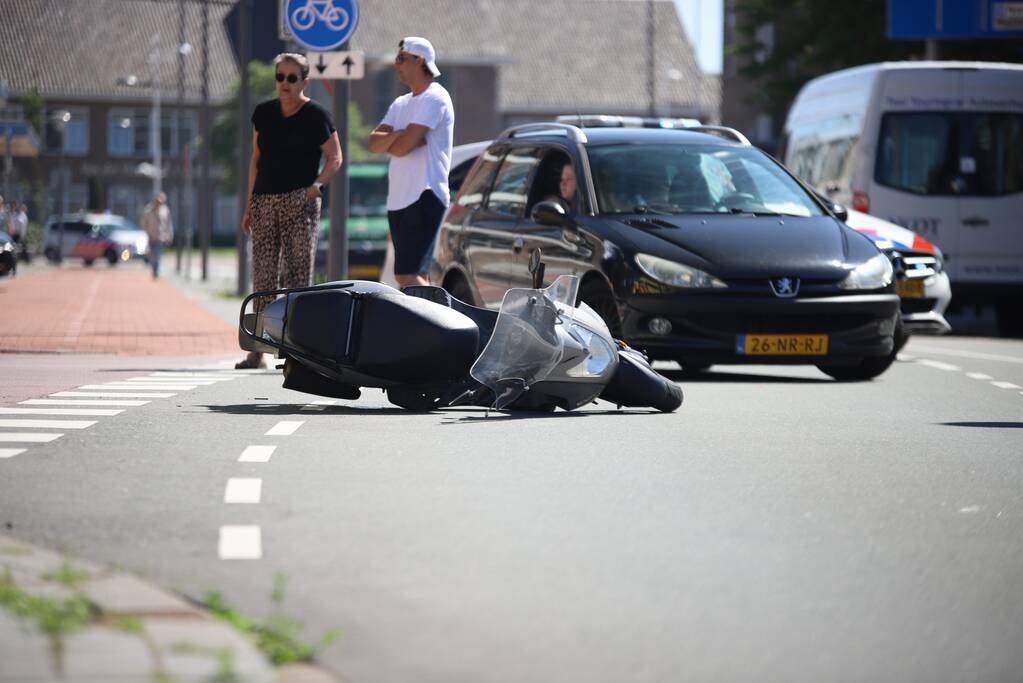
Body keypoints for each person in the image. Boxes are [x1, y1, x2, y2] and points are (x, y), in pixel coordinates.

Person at [238, 52, 343, 369]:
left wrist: (316, 187)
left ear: (305, 81)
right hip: (265, 200)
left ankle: (297, 353)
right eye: (280, 77)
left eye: (292, 78)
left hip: (301, 200)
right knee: (264, 276)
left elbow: (335, 158)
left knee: (298, 278)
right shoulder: (264, 114)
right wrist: (249, 204)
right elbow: (256, 160)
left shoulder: (317, 116)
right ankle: (257, 350)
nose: (284, 83)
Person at [368, 37, 454, 288]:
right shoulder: (400, 103)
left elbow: (405, 147)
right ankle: (426, 326)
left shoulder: (436, 97)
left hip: (424, 195)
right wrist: (401, 134)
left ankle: (432, 327)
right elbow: (374, 143)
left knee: (407, 276)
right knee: (415, 276)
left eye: (401, 59)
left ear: (419, 61)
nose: (396, 65)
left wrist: (397, 140)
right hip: (399, 199)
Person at [141, 192, 173, 279]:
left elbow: (168, 224)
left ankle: (156, 271)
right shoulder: (148, 210)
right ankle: (154, 268)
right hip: (151, 236)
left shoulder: (165, 210)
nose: (159, 203)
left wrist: (169, 235)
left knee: (158, 254)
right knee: (152, 255)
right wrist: (147, 233)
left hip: (161, 236)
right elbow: (144, 223)